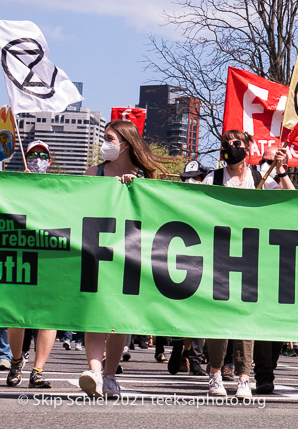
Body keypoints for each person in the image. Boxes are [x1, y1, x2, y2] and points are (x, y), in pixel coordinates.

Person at [79, 121, 172, 398]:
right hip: (96, 254)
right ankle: (94, 372)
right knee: (95, 316)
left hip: (130, 257)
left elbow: (156, 215)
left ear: (126, 145)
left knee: (119, 319)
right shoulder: (92, 173)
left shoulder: (145, 179)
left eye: (109, 138)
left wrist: (135, 190)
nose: (104, 143)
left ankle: (110, 375)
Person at [202, 133, 293, 398]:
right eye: (227, 143)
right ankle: (215, 373)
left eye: (238, 143)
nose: (232, 147)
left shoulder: (258, 179)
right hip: (218, 256)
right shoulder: (214, 178)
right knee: (218, 319)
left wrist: (280, 170)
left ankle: (244, 377)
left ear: (249, 148)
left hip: (250, 258)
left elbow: (291, 199)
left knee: (245, 319)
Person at [4, 141, 59, 389]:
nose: (38, 158)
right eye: (33, 155)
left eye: (43, 155)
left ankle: (38, 371)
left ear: (50, 160)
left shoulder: (62, 188)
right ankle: (17, 361)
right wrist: (21, 187)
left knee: (49, 317)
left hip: (50, 258)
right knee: (17, 318)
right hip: (21, 256)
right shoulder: (16, 183)